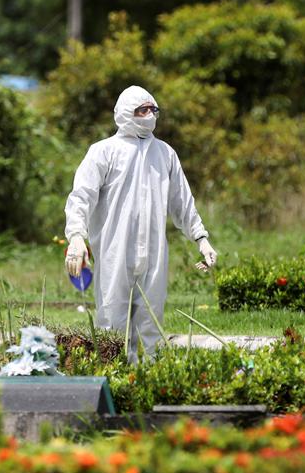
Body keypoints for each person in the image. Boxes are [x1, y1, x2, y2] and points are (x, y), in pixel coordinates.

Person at [64, 85, 218, 363]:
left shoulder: (165, 153)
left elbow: (182, 201)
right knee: (112, 322)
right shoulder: (103, 152)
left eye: (152, 109)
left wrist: (201, 238)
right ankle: (112, 381)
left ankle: (149, 384)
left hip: (154, 253)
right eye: (141, 110)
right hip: (114, 251)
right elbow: (81, 197)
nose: (149, 115)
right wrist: (76, 236)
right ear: (125, 113)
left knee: (151, 324)